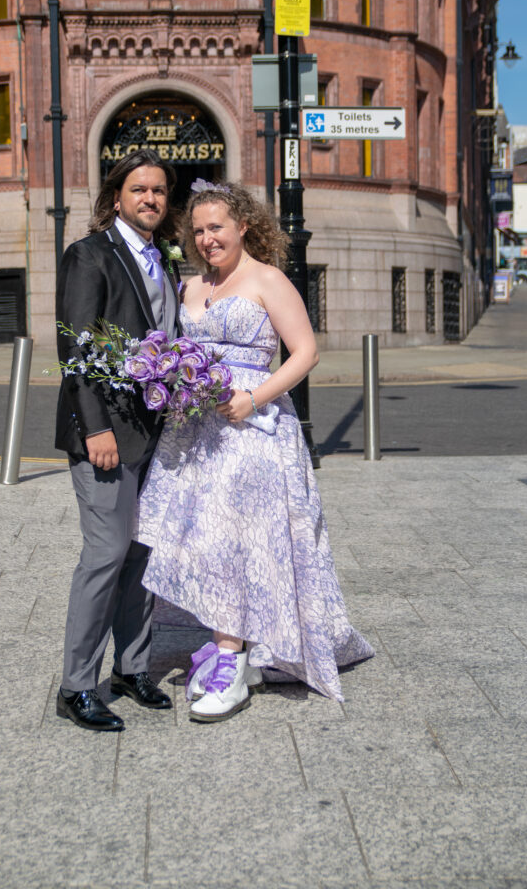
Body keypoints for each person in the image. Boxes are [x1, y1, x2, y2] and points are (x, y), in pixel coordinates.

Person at [136, 181, 374, 723]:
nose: (207, 238)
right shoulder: (189, 285)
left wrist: (254, 396)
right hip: (195, 432)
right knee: (198, 537)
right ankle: (235, 646)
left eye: (216, 226)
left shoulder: (268, 279)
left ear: (243, 225)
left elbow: (306, 351)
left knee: (234, 537)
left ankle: (230, 658)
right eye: (197, 230)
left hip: (253, 428)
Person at [55, 149, 182, 732]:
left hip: (154, 431)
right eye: (139, 190)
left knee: (140, 554)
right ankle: (77, 685)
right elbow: (76, 348)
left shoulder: (165, 262)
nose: (150, 199)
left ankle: (132, 670)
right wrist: (95, 426)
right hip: (106, 432)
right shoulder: (88, 256)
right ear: (116, 198)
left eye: (158, 190)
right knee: (105, 555)